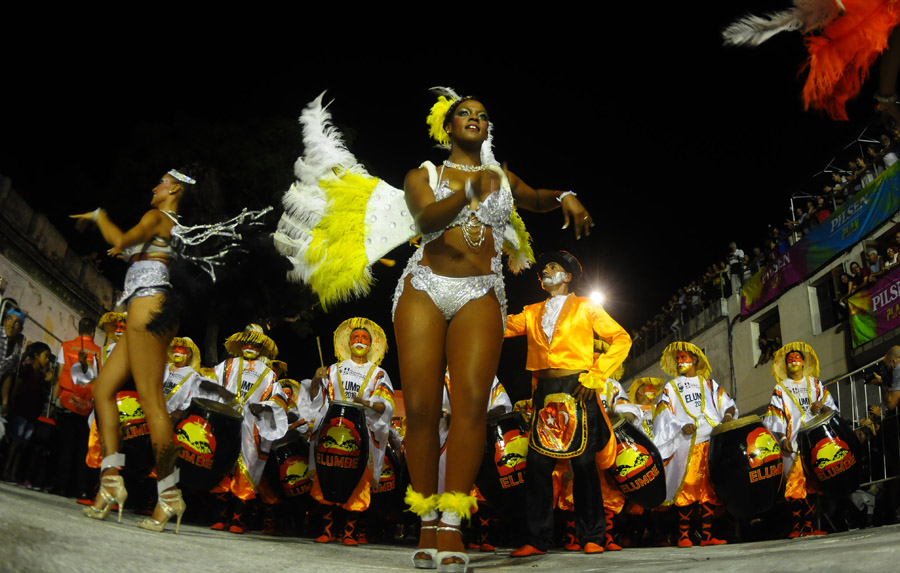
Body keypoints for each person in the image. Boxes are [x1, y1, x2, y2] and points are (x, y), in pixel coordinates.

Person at [388, 91, 595, 572]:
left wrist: (564, 196)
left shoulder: (501, 176)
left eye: (483, 115)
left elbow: (537, 198)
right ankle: (425, 518)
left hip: (481, 290)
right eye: (465, 112)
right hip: (424, 286)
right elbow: (424, 218)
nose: (475, 118)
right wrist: (466, 191)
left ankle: (452, 523)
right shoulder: (424, 173)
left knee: (471, 408)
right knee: (419, 410)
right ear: (447, 125)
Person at [70, 165, 212, 531]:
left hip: (149, 305)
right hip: (146, 303)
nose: (155, 185)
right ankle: (111, 481)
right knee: (103, 389)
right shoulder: (173, 225)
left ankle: (168, 496)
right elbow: (136, 248)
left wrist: (102, 221)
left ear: (176, 190)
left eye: (162, 182)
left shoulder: (157, 215)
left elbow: (121, 241)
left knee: (151, 400)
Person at [504, 251, 631, 557]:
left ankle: (593, 536)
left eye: (553, 267)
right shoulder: (532, 311)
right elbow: (498, 326)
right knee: (537, 467)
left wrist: (595, 375)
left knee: (584, 466)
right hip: (545, 392)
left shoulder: (587, 306)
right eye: (544, 268)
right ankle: (537, 539)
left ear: (568, 276)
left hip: (578, 388)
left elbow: (622, 338)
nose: (545, 270)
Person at [309, 317, 395, 545]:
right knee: (327, 473)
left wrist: (366, 403)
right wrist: (315, 381)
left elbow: (385, 405)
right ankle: (327, 530)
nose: (359, 341)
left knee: (357, 479)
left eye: (364, 338)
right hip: (331, 427)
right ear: (348, 343)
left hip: (362, 429)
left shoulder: (379, 374)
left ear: (371, 344)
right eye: (355, 337)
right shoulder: (333, 369)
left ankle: (349, 532)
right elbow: (315, 398)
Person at [207, 324, 287, 534]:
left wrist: (263, 406)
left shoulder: (269, 374)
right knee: (221, 467)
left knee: (247, 472)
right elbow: (209, 382)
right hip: (226, 423)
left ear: (262, 348)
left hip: (251, 428)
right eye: (247, 342)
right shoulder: (228, 365)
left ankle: (237, 519)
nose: (251, 346)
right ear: (241, 344)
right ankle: (220, 516)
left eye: (256, 343)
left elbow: (279, 399)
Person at [654, 341, 736, 547]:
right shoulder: (670, 387)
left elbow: (727, 403)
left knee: (710, 489)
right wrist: (681, 425)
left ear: (694, 360)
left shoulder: (709, 384)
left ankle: (707, 537)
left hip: (712, 439)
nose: (680, 361)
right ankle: (683, 537)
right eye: (678, 358)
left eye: (684, 357)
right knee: (687, 487)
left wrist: (727, 415)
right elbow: (663, 412)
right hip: (687, 442)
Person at [762, 342, 836, 537]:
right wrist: (781, 437)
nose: (793, 361)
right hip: (792, 442)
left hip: (816, 440)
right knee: (795, 484)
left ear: (803, 362)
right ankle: (797, 527)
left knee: (813, 484)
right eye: (789, 360)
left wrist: (822, 406)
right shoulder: (780, 388)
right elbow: (774, 416)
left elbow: (832, 408)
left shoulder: (816, 384)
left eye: (796, 358)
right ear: (786, 366)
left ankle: (810, 527)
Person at [50, 316, 100, 500]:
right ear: (93, 332)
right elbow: (97, 380)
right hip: (87, 405)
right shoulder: (97, 352)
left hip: (67, 402)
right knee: (82, 449)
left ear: (79, 330)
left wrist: (53, 402)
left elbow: (59, 376)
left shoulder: (66, 346)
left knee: (64, 446)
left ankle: (60, 486)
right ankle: (78, 488)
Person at [0, 307, 25, 418]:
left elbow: (8, 375)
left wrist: (5, 402)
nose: (11, 325)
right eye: (9, 319)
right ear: (4, 321)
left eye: (16, 323)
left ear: (20, 329)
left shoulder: (17, 350)